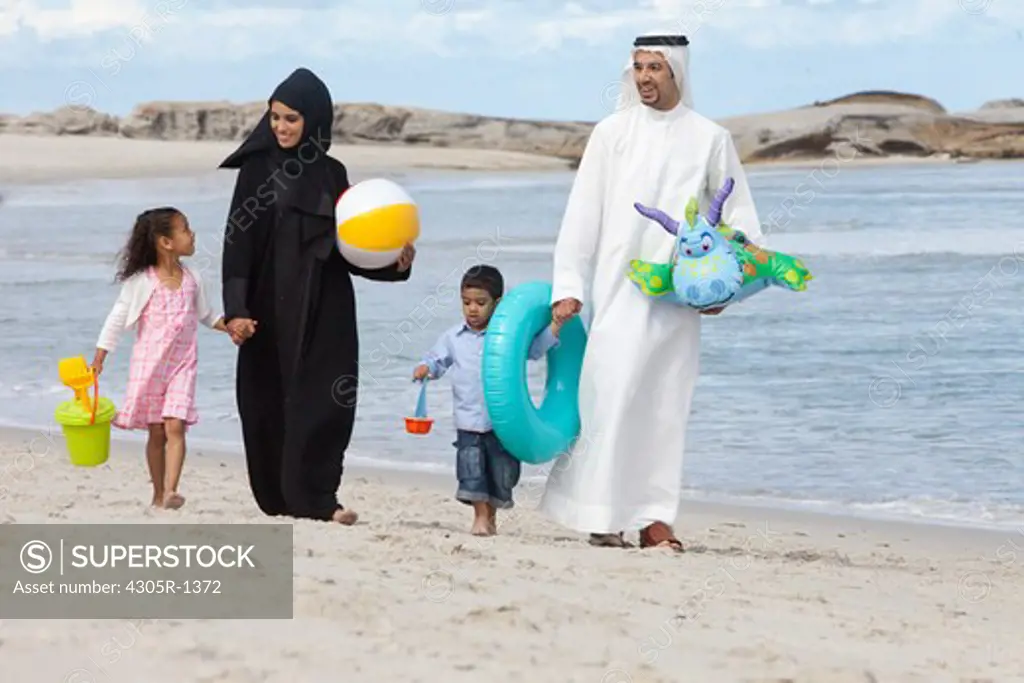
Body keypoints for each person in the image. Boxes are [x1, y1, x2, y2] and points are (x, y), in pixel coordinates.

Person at [542, 33, 764, 551]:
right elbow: (582, 214)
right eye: (638, 67)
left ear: (676, 74)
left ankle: (655, 519)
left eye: (655, 68)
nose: (644, 77)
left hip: (678, 299)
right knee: (611, 395)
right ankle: (601, 514)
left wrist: (729, 287)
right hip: (618, 289)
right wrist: (568, 284)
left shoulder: (710, 137)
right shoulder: (611, 133)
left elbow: (741, 218)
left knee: (665, 406)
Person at [218, 67, 415, 525]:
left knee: (327, 400)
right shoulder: (255, 171)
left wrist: (392, 264)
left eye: (291, 119)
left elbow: (347, 248)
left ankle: (320, 498)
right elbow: (237, 244)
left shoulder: (333, 173)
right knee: (266, 401)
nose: (281, 128)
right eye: (275, 118)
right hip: (268, 307)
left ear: (315, 120)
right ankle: (277, 496)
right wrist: (236, 311)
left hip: (326, 305)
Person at [92, 207, 232, 509]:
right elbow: (117, 318)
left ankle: (170, 491)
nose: (192, 234)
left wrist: (231, 327)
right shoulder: (142, 281)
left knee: (175, 426)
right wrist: (100, 356)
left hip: (183, 365)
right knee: (156, 433)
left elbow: (207, 315)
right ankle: (157, 493)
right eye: (185, 229)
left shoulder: (193, 277)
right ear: (165, 242)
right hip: (149, 366)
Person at [412, 265, 561, 536]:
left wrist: (555, 324)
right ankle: (480, 516)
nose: (472, 309)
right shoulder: (453, 337)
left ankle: (490, 516)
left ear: (498, 303)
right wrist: (426, 369)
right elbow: (437, 360)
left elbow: (536, 349)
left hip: (502, 424)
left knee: (501, 474)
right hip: (468, 421)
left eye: (480, 303)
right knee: (471, 471)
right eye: (466, 302)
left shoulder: (507, 338)